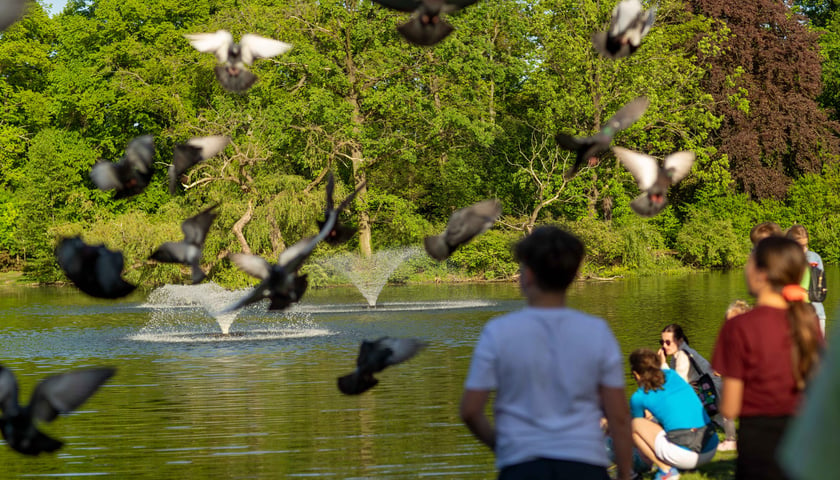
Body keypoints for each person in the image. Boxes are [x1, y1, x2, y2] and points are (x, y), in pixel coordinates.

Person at [460, 226, 634, 480]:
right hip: (585, 465)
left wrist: (503, 446)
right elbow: (618, 417)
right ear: (573, 275)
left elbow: (470, 411)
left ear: (528, 275)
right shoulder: (597, 332)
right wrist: (624, 475)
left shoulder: (498, 332)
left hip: (522, 467)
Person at [712, 236, 822, 480]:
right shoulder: (809, 321)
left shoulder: (739, 326)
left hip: (758, 445)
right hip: (803, 439)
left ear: (760, 274)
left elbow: (729, 406)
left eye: (748, 262)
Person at [629, 349, 719, 480]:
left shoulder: (638, 397)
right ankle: (682, 465)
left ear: (636, 374)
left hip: (685, 456)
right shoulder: (672, 375)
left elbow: (640, 425)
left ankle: (666, 471)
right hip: (710, 446)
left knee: (635, 424)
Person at [658, 324, 738, 451]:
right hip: (708, 390)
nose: (664, 346)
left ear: (680, 340)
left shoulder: (682, 356)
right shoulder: (677, 355)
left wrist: (662, 363)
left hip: (712, 391)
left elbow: (676, 385)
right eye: (662, 342)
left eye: (668, 342)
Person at [786, 224, 826, 334]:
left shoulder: (815, 257)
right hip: (794, 315)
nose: (804, 249)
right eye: (800, 246)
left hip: (816, 313)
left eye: (805, 245)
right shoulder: (785, 259)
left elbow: (820, 286)